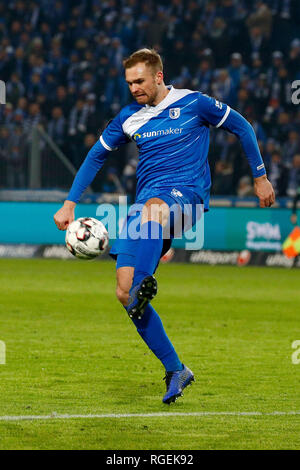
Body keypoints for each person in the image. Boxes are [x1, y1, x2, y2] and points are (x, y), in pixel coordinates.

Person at [54, 48, 275, 404]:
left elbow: (242, 127)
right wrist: (69, 203)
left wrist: (261, 177)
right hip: (146, 210)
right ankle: (176, 369)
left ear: (158, 76)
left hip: (187, 198)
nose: (134, 89)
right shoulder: (128, 117)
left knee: (154, 211)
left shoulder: (194, 103)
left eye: (139, 81)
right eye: (128, 83)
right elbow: (97, 154)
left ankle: (146, 276)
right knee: (125, 291)